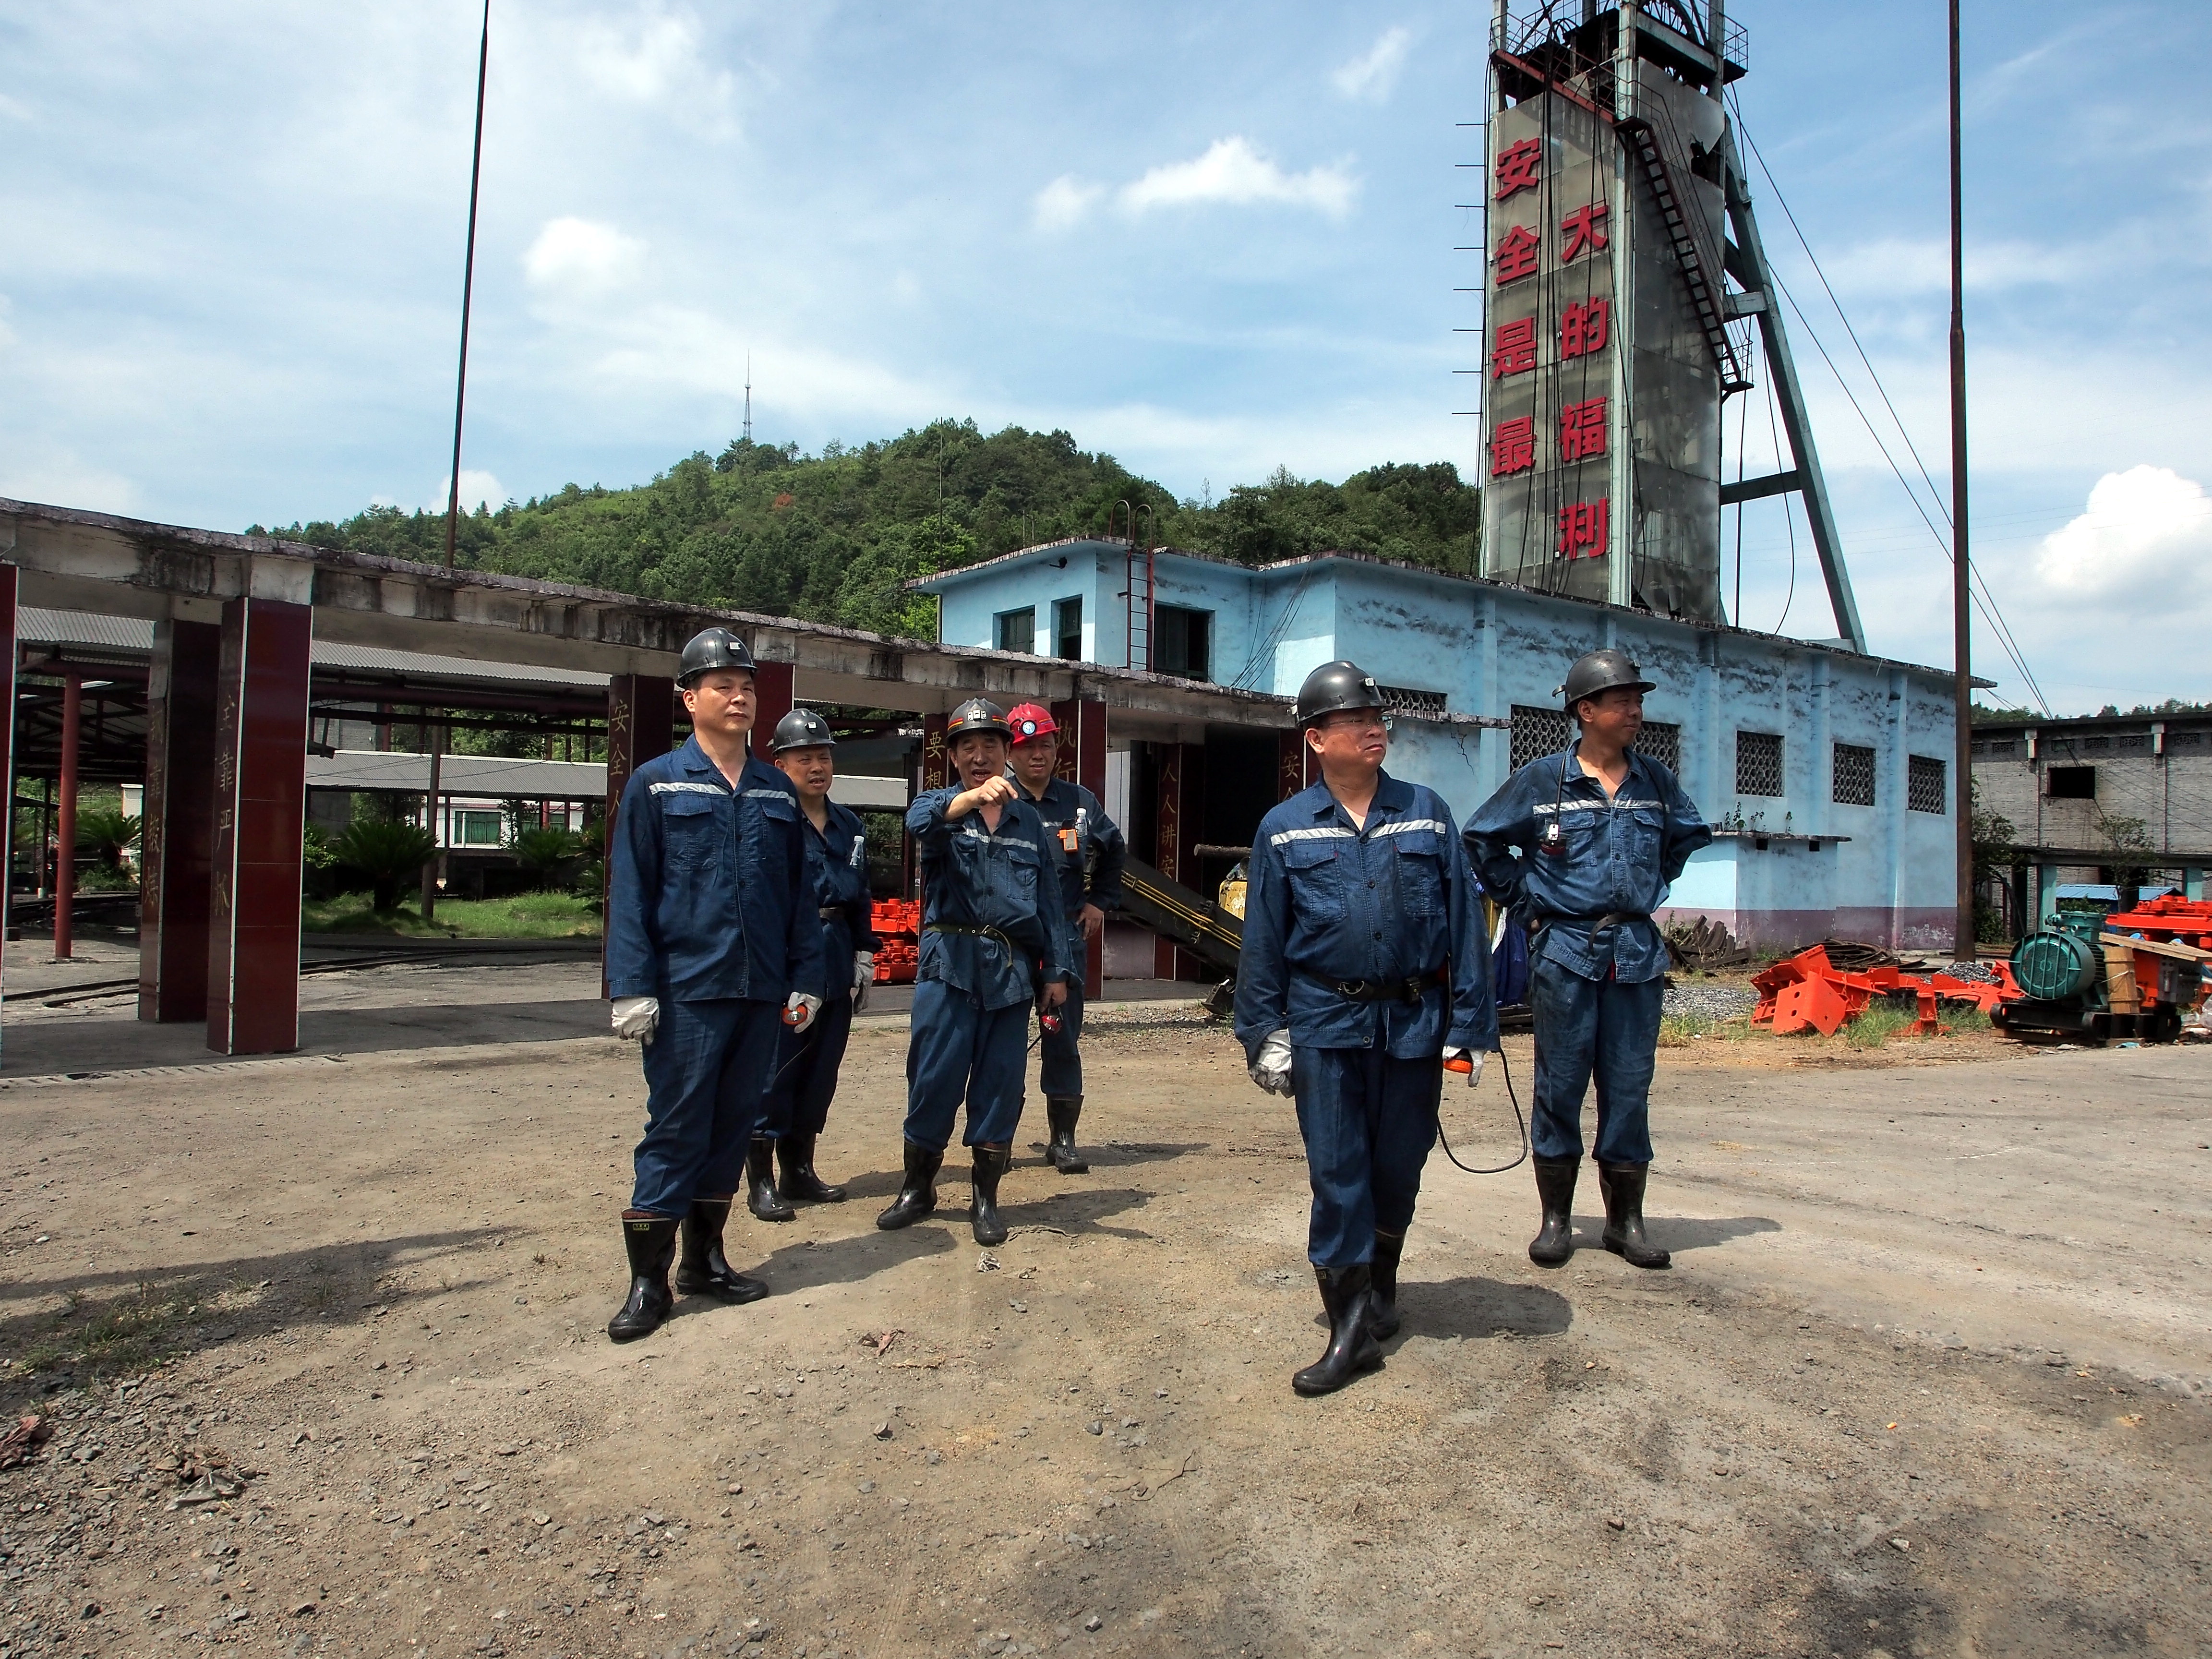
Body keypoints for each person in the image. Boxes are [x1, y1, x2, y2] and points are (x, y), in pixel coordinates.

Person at [1234, 661, 1498, 1396]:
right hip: (1325, 1021)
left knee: (1398, 1169)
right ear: (1317, 739)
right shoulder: (1284, 829)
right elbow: (1262, 941)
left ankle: (1382, 1286)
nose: (1373, 727)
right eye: (1355, 720)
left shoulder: (1427, 812)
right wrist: (1263, 1032)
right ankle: (1350, 1333)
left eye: (1377, 717)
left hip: (1414, 1019)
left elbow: (1464, 930)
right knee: (1339, 1175)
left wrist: (1470, 1026)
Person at [602, 627, 826, 1342]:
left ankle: (704, 1262)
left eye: (748, 686)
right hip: (686, 991)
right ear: (688, 697)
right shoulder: (658, 782)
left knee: (732, 1127)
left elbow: (798, 895)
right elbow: (631, 891)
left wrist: (806, 978)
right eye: (722, 684)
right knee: (675, 1128)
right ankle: (648, 1282)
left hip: (760, 992)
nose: (739, 696)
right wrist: (631, 987)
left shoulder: (776, 792)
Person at [1463, 649, 1713, 1272]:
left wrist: (1649, 884)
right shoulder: (1544, 781)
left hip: (1635, 954)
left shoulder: (1654, 782)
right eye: (1623, 701)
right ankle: (1556, 1220)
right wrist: (1526, 905)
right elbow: (1483, 840)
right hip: (1566, 952)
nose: (1635, 711)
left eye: (1638, 701)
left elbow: (1684, 839)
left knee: (1629, 1088)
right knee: (1560, 1086)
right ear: (1585, 711)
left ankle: (1625, 1223)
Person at [877, 697, 1070, 1246]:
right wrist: (965, 802)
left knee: (1000, 1086)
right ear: (955, 757)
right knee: (934, 1078)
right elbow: (920, 826)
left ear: (1007, 753)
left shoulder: (1028, 821)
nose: (980, 755)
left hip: (1009, 974)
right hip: (949, 969)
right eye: (969, 747)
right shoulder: (940, 807)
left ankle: (986, 1198)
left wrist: (1056, 971)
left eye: (991, 745)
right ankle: (919, 1188)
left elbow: (1051, 903)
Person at [745, 707, 879, 1221]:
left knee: (822, 1069)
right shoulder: (769, 821)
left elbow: (862, 891)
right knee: (776, 1069)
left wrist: (864, 954)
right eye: (805, 758)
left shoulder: (849, 824)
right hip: (786, 959)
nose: (817, 767)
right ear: (779, 764)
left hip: (837, 950)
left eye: (823, 756)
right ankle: (760, 1181)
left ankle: (799, 1169)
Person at [1004, 702, 1125, 1175]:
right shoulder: (997, 798)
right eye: (1028, 746)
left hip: (1065, 940)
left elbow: (1114, 851)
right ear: (1011, 752)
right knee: (1006, 1042)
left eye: (1047, 745)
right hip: (1013, 943)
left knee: (1062, 1039)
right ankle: (999, 1139)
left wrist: (1100, 901)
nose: (1039, 754)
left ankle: (1064, 1139)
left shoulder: (1079, 803)